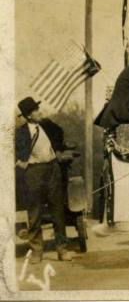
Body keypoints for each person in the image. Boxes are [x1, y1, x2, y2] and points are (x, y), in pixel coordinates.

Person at [14, 97, 73, 262]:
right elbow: (19, 155)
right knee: (34, 213)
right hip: (34, 172)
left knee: (58, 210)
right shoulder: (21, 133)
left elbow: (59, 132)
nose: (39, 112)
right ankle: (36, 252)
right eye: (36, 111)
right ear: (29, 115)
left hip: (52, 169)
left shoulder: (47, 125)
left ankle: (62, 250)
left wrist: (59, 150)